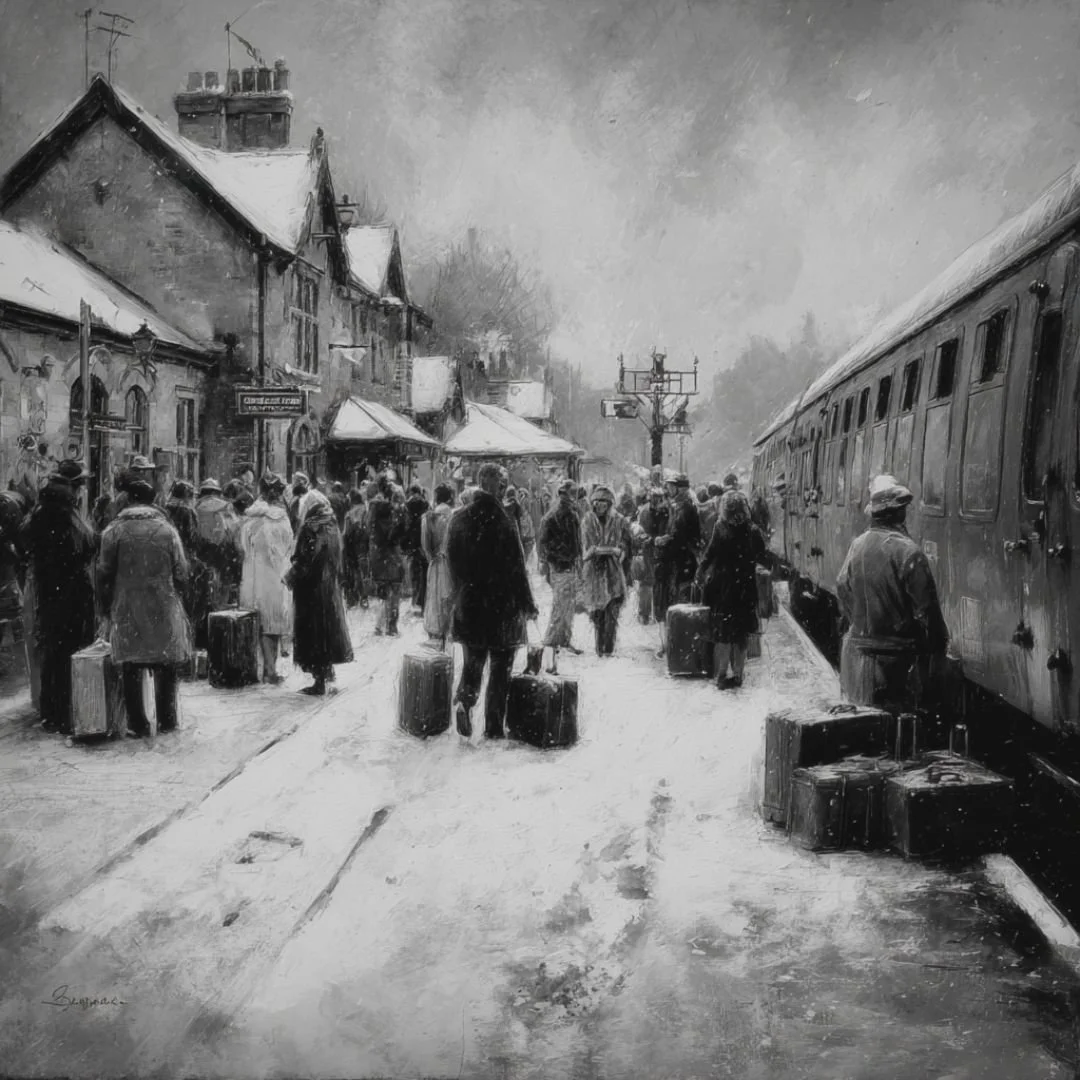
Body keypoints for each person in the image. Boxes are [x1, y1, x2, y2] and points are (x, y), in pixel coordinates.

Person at [836, 475, 949, 710]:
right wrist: (936, 648)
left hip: (859, 656)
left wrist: (860, 621)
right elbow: (927, 610)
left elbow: (842, 586)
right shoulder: (908, 552)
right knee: (899, 725)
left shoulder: (857, 545)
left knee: (865, 725)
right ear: (898, 514)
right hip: (897, 660)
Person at [447, 463, 538, 739]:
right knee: (501, 669)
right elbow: (517, 569)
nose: (504, 487)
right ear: (495, 485)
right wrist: (528, 604)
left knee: (473, 662)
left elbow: (451, 561)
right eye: (503, 483)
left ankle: (464, 701)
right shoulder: (503, 520)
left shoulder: (458, 518)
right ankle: (494, 727)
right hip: (502, 609)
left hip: (470, 604)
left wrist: (463, 591)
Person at [97, 479, 190, 736]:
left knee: (131, 664)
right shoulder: (167, 531)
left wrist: (105, 606)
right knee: (165, 663)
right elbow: (182, 571)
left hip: (127, 603)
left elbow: (103, 573)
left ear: (128, 499)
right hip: (163, 602)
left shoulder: (113, 531)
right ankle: (167, 720)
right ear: (153, 500)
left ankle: (136, 723)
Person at [20, 460, 96, 733]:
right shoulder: (71, 522)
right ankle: (66, 710)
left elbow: (26, 546)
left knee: (53, 650)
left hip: (48, 592)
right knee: (71, 649)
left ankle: (51, 710)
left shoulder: (38, 518)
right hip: (72, 594)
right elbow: (86, 547)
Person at [284, 490, 353, 695]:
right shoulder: (332, 526)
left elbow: (305, 558)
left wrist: (291, 575)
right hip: (329, 588)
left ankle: (319, 679)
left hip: (311, 589)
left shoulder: (310, 528)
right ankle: (326, 671)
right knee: (326, 631)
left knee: (312, 633)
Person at [696, 490, 766, 689]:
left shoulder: (720, 527)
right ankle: (738, 675)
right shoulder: (753, 530)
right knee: (741, 636)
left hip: (722, 588)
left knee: (723, 635)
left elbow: (710, 554)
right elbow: (763, 556)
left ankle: (720, 676)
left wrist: (700, 571)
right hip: (744, 589)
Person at [239, 472, 294, 684]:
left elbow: (243, 545)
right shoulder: (281, 518)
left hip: (254, 573)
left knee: (259, 620)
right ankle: (270, 670)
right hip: (278, 573)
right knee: (274, 620)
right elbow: (289, 544)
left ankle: (264, 668)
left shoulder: (251, 517)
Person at [537, 478, 584, 671]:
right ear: (563, 495)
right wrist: (555, 559)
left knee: (567, 605)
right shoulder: (556, 515)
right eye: (569, 494)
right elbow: (544, 543)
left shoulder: (569, 513)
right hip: (561, 566)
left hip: (567, 565)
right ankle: (550, 648)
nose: (572, 497)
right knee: (560, 607)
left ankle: (564, 640)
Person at [580, 484, 632, 657]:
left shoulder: (620, 520)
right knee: (597, 613)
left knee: (612, 610)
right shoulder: (587, 520)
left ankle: (608, 648)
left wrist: (620, 551)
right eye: (595, 501)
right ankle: (599, 647)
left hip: (614, 572)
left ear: (609, 503)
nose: (597, 505)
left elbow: (626, 544)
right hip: (594, 572)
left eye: (602, 502)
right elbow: (585, 548)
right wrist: (598, 550)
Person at [654, 473, 700, 657]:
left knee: (678, 604)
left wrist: (663, 540)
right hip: (679, 562)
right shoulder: (679, 506)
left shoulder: (685, 507)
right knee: (674, 603)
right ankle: (674, 645)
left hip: (681, 562)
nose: (668, 490)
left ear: (679, 488)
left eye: (671, 486)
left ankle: (676, 646)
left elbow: (679, 535)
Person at [194, 479, 241, 638]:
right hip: (222, 557)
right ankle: (219, 633)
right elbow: (233, 532)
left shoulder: (195, 508)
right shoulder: (225, 507)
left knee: (203, 597)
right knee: (221, 597)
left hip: (202, 557)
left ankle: (203, 632)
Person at [368, 472, 407, 636]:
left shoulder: (374, 506)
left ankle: (379, 625)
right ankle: (392, 626)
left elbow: (369, 528)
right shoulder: (397, 512)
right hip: (394, 554)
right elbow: (403, 531)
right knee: (395, 590)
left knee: (382, 591)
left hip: (379, 554)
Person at [421, 483, 455, 648]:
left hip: (435, 563)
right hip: (451, 563)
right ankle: (448, 632)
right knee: (448, 597)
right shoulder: (454, 516)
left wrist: (431, 558)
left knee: (435, 598)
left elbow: (425, 546)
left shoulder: (429, 517)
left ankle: (436, 633)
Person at [633, 487, 669, 625]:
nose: (657, 501)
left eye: (659, 498)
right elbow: (642, 531)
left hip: (657, 549)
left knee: (653, 582)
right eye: (655, 498)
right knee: (648, 581)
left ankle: (651, 614)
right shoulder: (647, 511)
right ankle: (646, 614)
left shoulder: (663, 510)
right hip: (650, 549)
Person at [404, 483, 431, 613]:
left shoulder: (408, 504)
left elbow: (406, 524)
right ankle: (422, 600)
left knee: (414, 572)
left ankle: (416, 600)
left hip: (413, 542)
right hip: (423, 539)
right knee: (424, 573)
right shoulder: (425, 504)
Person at [342, 488, 370, 609]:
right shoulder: (365, 510)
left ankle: (355, 596)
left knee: (354, 571)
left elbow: (346, 533)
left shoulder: (349, 514)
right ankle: (364, 597)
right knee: (363, 571)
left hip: (352, 544)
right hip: (363, 544)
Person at [517, 488, 537, 566]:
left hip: (525, 517)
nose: (520, 494)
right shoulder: (521, 499)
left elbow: (527, 509)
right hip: (523, 517)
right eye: (519, 493)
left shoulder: (525, 500)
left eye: (521, 492)